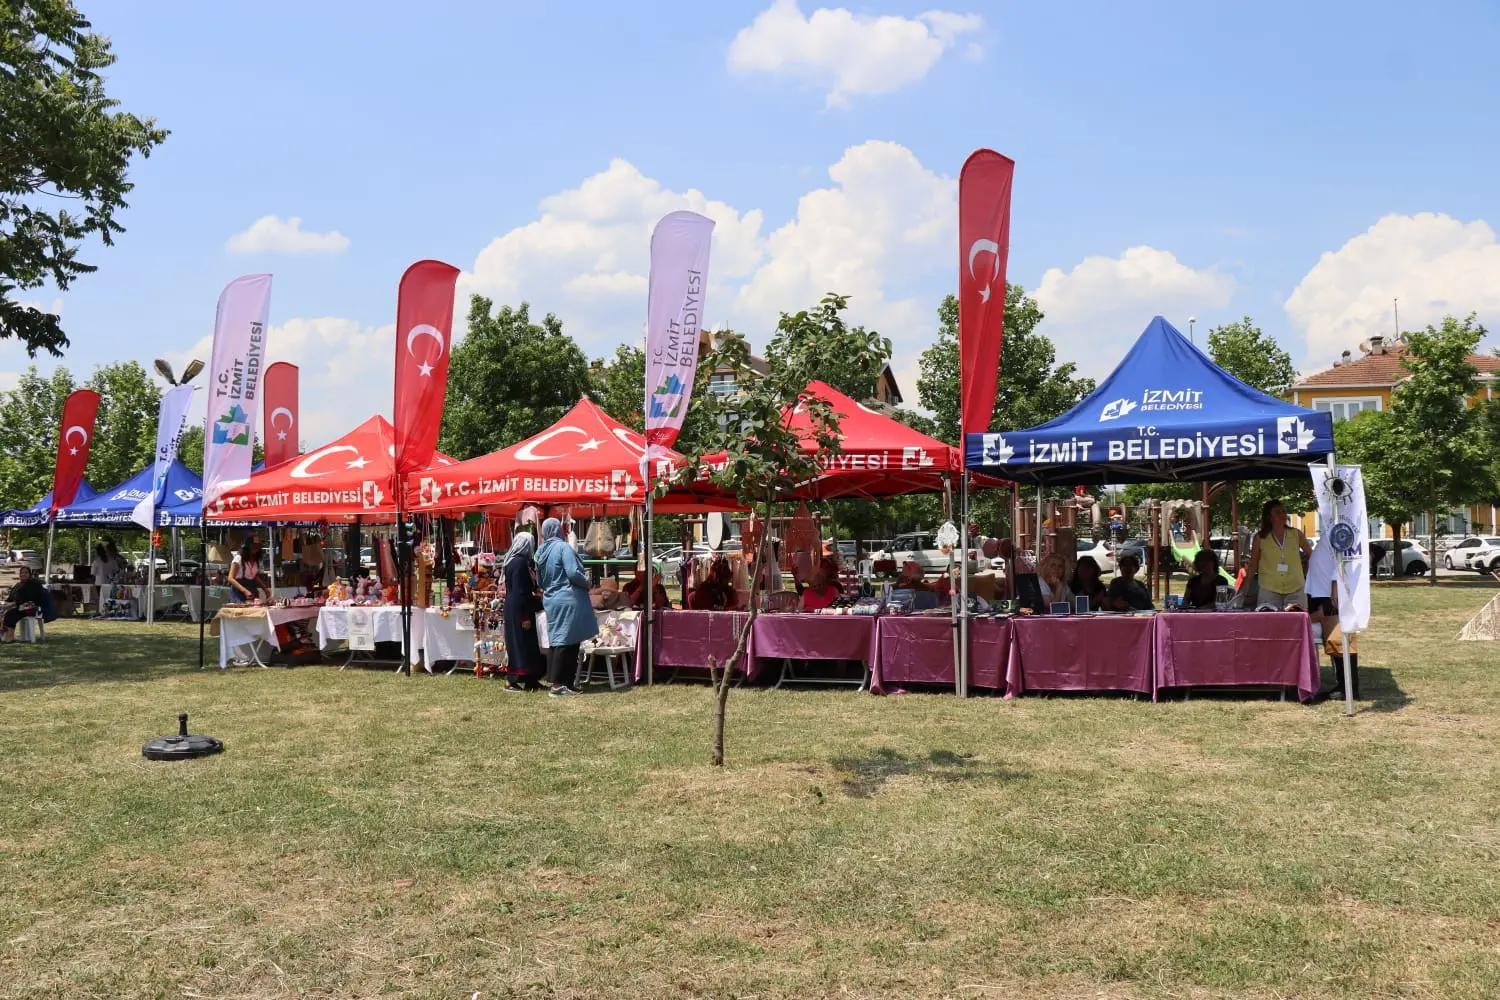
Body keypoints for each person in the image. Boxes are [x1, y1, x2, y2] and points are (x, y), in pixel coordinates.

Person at [535, 517, 597, 697]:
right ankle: (558, 685)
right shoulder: (563, 548)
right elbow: (572, 572)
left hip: (551, 598)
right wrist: (587, 583)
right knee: (567, 641)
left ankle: (564, 683)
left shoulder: (540, 552)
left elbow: (539, 580)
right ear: (558, 530)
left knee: (557, 640)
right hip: (567, 597)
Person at [500, 532, 546, 692]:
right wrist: (525, 617)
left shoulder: (518, 561)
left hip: (520, 605)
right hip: (519, 607)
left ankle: (531, 680)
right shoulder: (518, 563)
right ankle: (511, 681)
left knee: (528, 644)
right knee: (519, 645)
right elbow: (520, 591)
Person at [1247, 500, 1311, 609]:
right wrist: (1244, 590)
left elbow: (1312, 556)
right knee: (1268, 624)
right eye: (1277, 512)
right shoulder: (1260, 538)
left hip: (1296, 589)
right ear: (1269, 517)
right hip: (1269, 589)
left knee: (1296, 624)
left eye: (1283, 511)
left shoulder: (1296, 534)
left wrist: (1306, 575)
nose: (1283, 514)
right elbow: (1253, 565)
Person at [2, 566, 47, 641]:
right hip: (18, 607)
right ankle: (3, 635)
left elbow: (27, 598)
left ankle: (10, 637)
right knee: (2, 611)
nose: (23, 574)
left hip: (29, 608)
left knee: (10, 613)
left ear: (30, 574)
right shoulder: (18, 584)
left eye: (26, 572)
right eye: (22, 572)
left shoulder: (33, 584)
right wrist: (5, 602)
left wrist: (13, 604)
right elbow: (12, 597)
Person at [228, 537, 269, 603]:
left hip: (251, 589)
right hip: (238, 592)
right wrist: (245, 591)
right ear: (247, 547)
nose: (256, 549)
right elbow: (230, 578)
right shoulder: (238, 558)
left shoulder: (256, 560)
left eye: (258, 547)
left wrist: (265, 589)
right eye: (254, 546)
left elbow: (253, 576)